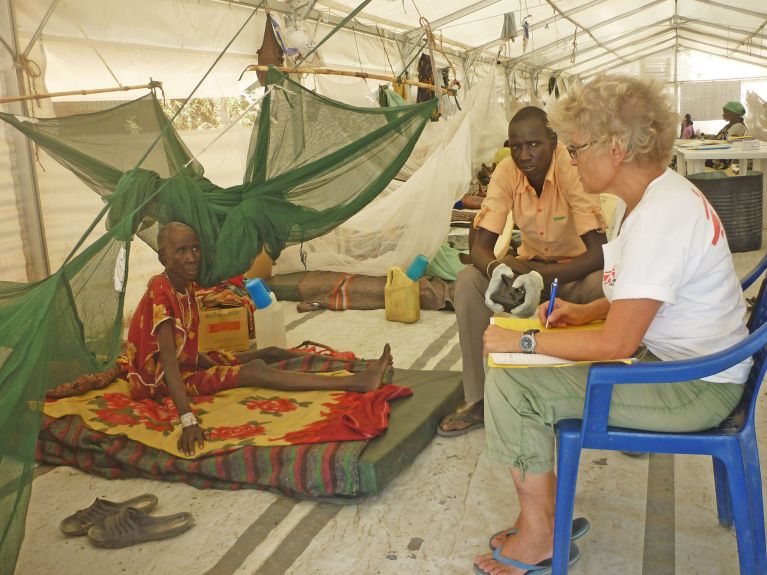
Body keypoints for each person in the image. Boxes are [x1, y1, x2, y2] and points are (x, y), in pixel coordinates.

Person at [473, 75, 751, 575]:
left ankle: (538, 534)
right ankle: (545, 517)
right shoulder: (650, 200)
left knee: (514, 384)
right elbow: (639, 295)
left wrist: (529, 342)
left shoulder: (660, 219)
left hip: (692, 385)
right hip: (686, 365)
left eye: (577, 148)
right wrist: (582, 312)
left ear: (617, 148)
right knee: (520, 369)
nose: (572, 159)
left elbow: (620, 340)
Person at [125, 222, 393, 456]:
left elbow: (179, 345)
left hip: (187, 363)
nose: (191, 257)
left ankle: (358, 366)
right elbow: (169, 361)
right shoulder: (159, 290)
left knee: (272, 351)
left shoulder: (184, 284)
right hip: (159, 381)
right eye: (181, 251)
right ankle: (358, 382)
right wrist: (187, 419)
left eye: (194, 248)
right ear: (163, 257)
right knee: (255, 369)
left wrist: (198, 358)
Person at [439, 106, 607, 436]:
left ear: (553, 141)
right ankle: (481, 400)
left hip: (574, 272)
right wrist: (496, 269)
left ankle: (608, 402)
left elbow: (600, 252)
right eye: (516, 146)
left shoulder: (571, 167)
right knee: (469, 281)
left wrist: (540, 279)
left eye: (533, 145)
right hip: (528, 266)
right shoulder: (506, 171)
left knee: (609, 286)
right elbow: (480, 247)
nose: (524, 154)